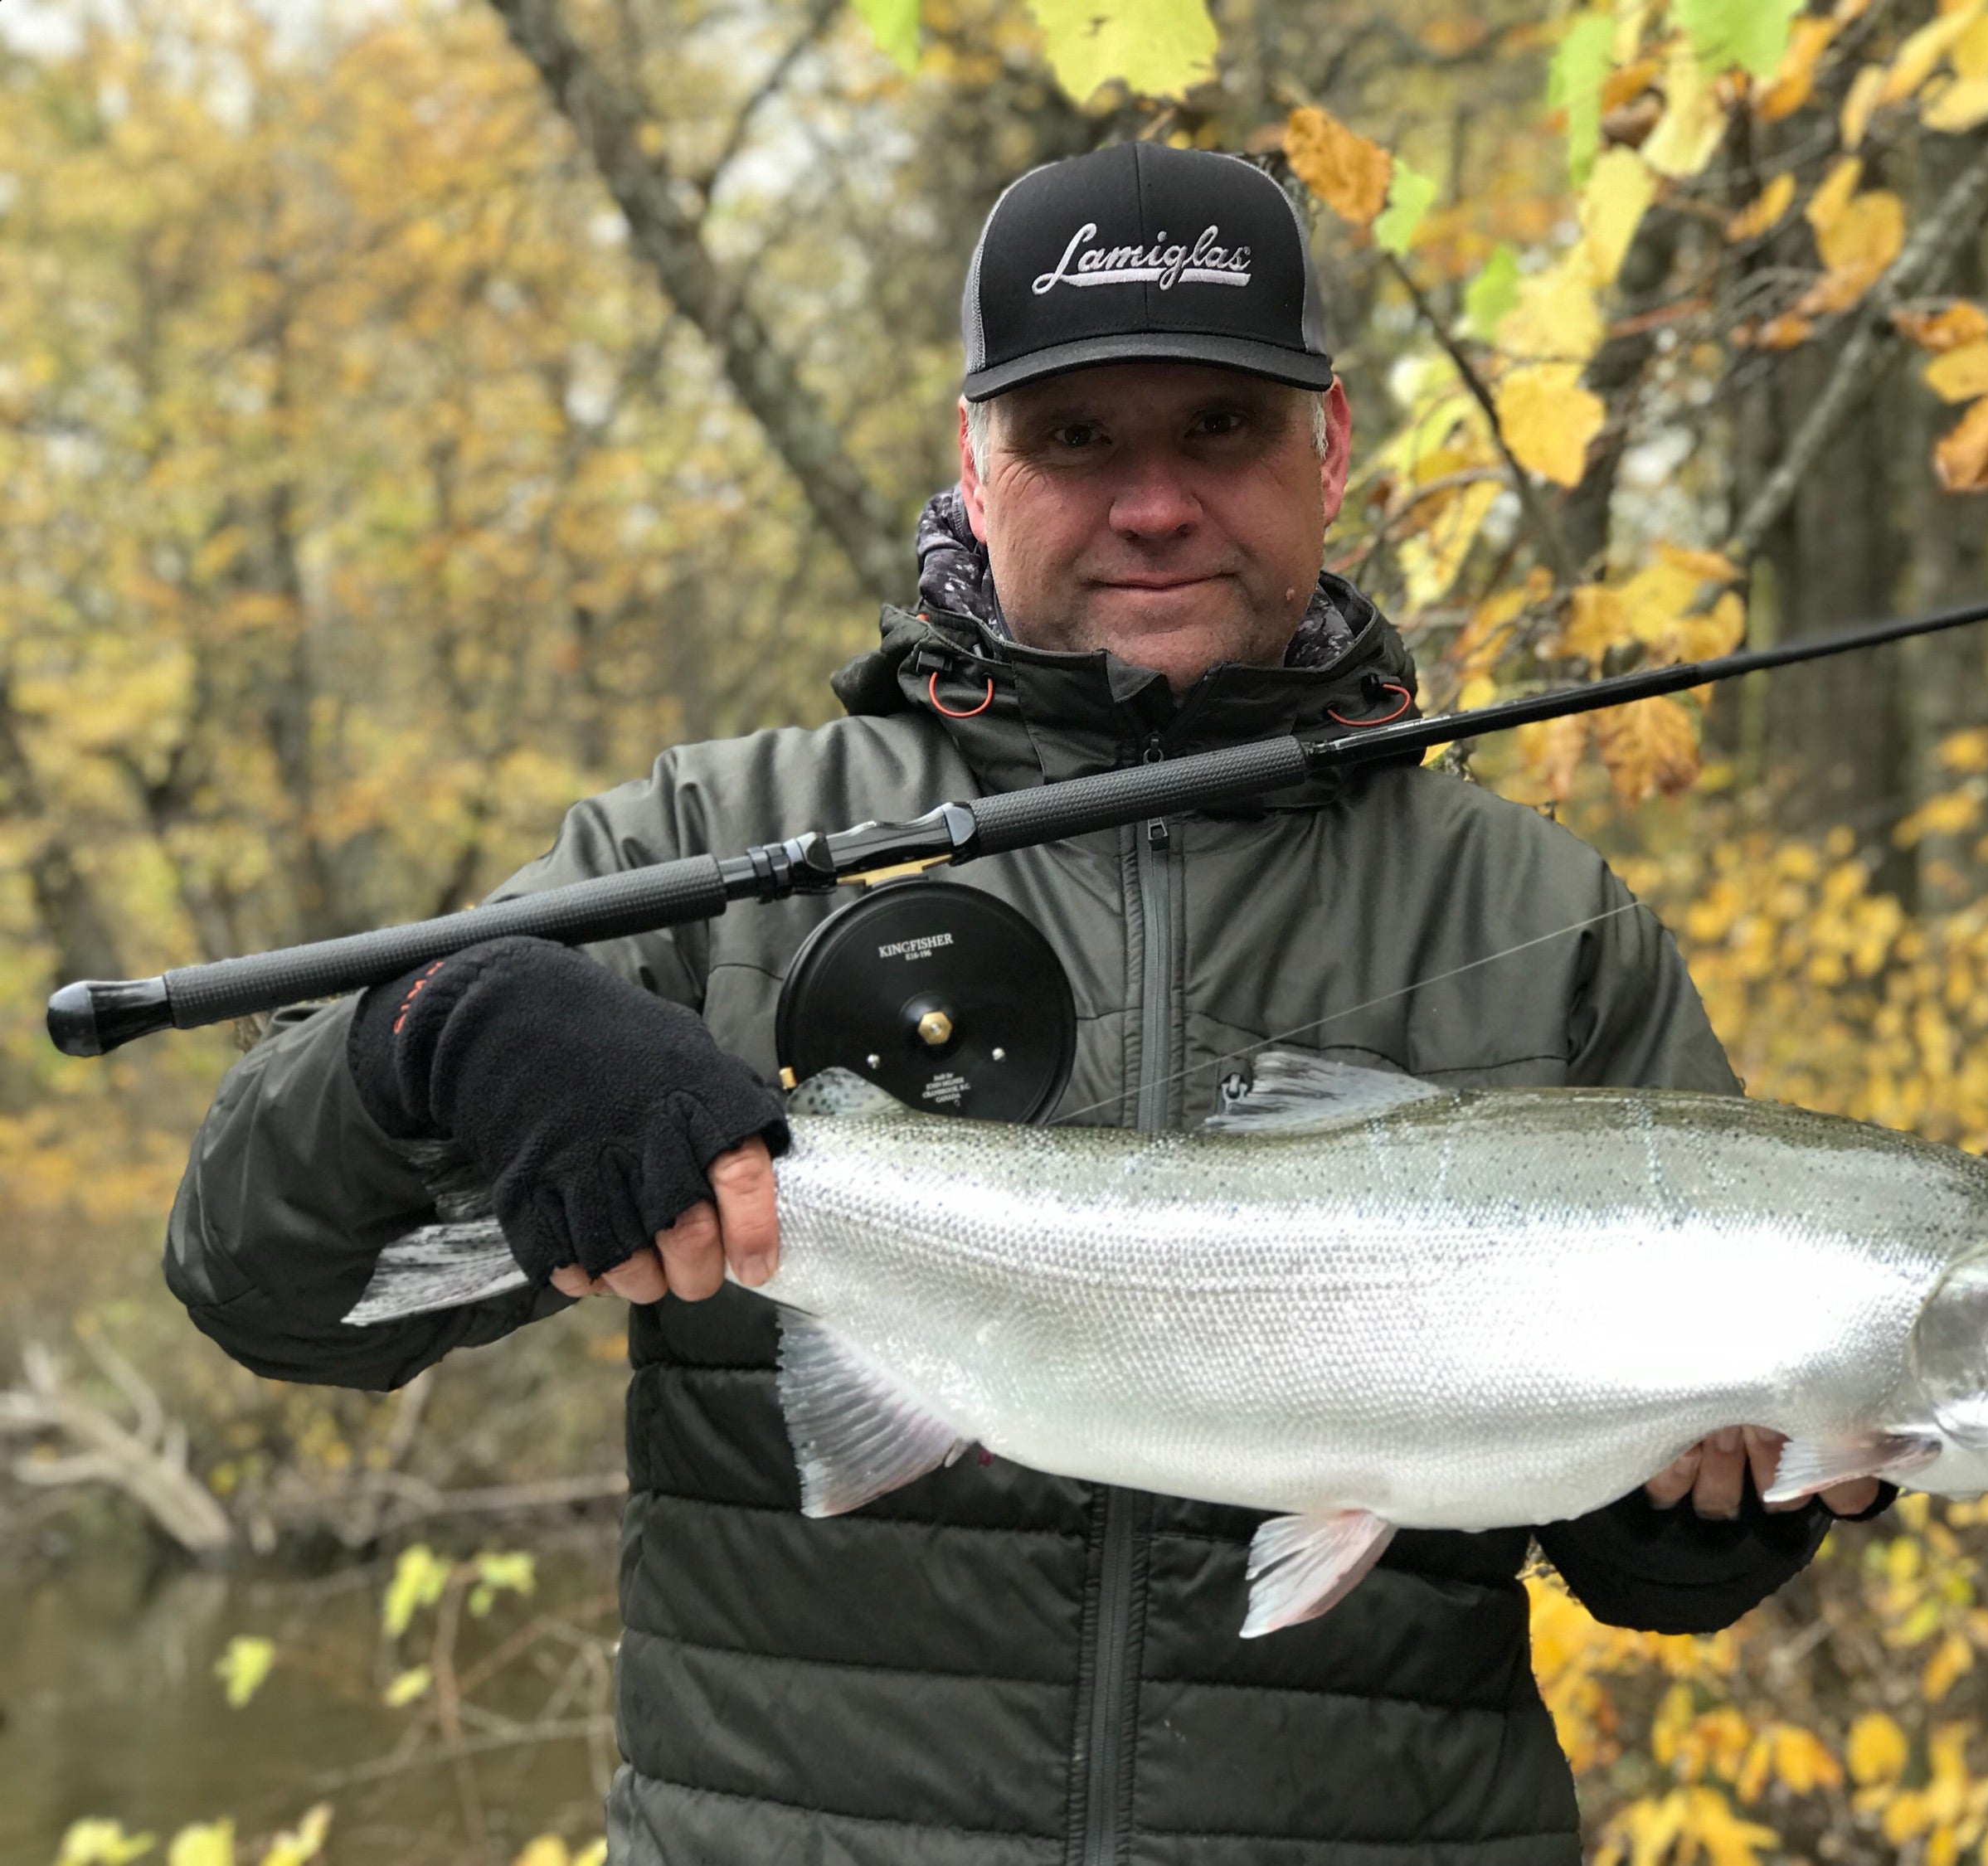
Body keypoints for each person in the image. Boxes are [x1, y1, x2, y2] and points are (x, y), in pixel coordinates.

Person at [168, 142, 1886, 1865]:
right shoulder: (717, 848)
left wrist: (1721, 1510)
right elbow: (273, 1290)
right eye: (1077, 439)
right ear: (976, 465)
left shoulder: (1546, 918)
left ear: (1331, 447)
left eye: (1220, 426)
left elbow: (1659, 1576)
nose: (1153, 501)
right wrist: (433, 1035)